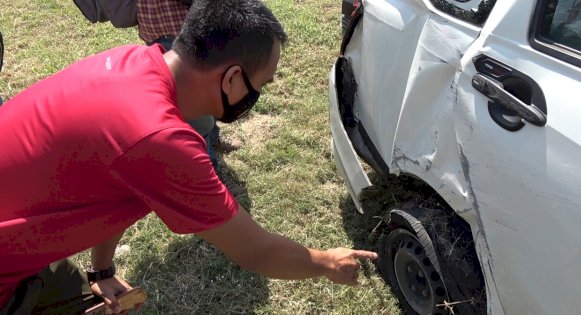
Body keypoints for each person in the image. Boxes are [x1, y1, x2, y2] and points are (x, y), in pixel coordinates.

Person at [0, 0, 377, 314]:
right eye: (260, 85)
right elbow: (256, 251)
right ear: (231, 80)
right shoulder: (161, 140)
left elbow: (117, 189)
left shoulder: (135, 61)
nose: (258, 95)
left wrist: (102, 271)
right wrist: (327, 262)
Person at [136, 0, 244, 196]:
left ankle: (215, 140)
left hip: (161, 28)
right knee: (197, 109)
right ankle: (213, 177)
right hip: (178, 31)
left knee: (207, 94)